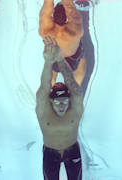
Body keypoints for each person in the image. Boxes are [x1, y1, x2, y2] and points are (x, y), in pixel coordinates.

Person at [36, 41, 84, 180]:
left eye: (64, 101)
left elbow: (74, 88)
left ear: (70, 101)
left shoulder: (75, 110)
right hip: (51, 153)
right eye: (57, 102)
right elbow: (44, 87)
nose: (62, 106)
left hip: (72, 150)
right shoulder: (44, 112)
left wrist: (60, 59)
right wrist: (48, 62)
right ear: (50, 102)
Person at [39, 0, 86, 86]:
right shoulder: (75, 29)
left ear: (53, 16)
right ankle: (76, 86)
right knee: (81, 64)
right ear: (67, 18)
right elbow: (69, 5)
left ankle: (52, 86)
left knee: (52, 70)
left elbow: (47, 5)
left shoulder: (45, 31)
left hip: (55, 59)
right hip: (73, 59)